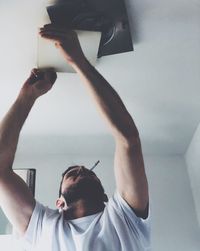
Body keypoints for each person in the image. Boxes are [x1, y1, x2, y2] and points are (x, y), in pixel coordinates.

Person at [0, 24, 151, 251]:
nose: (81, 169)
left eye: (78, 172)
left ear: (104, 194)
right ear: (59, 203)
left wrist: (79, 60)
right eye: (76, 172)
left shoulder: (125, 219)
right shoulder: (44, 225)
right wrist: (26, 97)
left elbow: (129, 140)